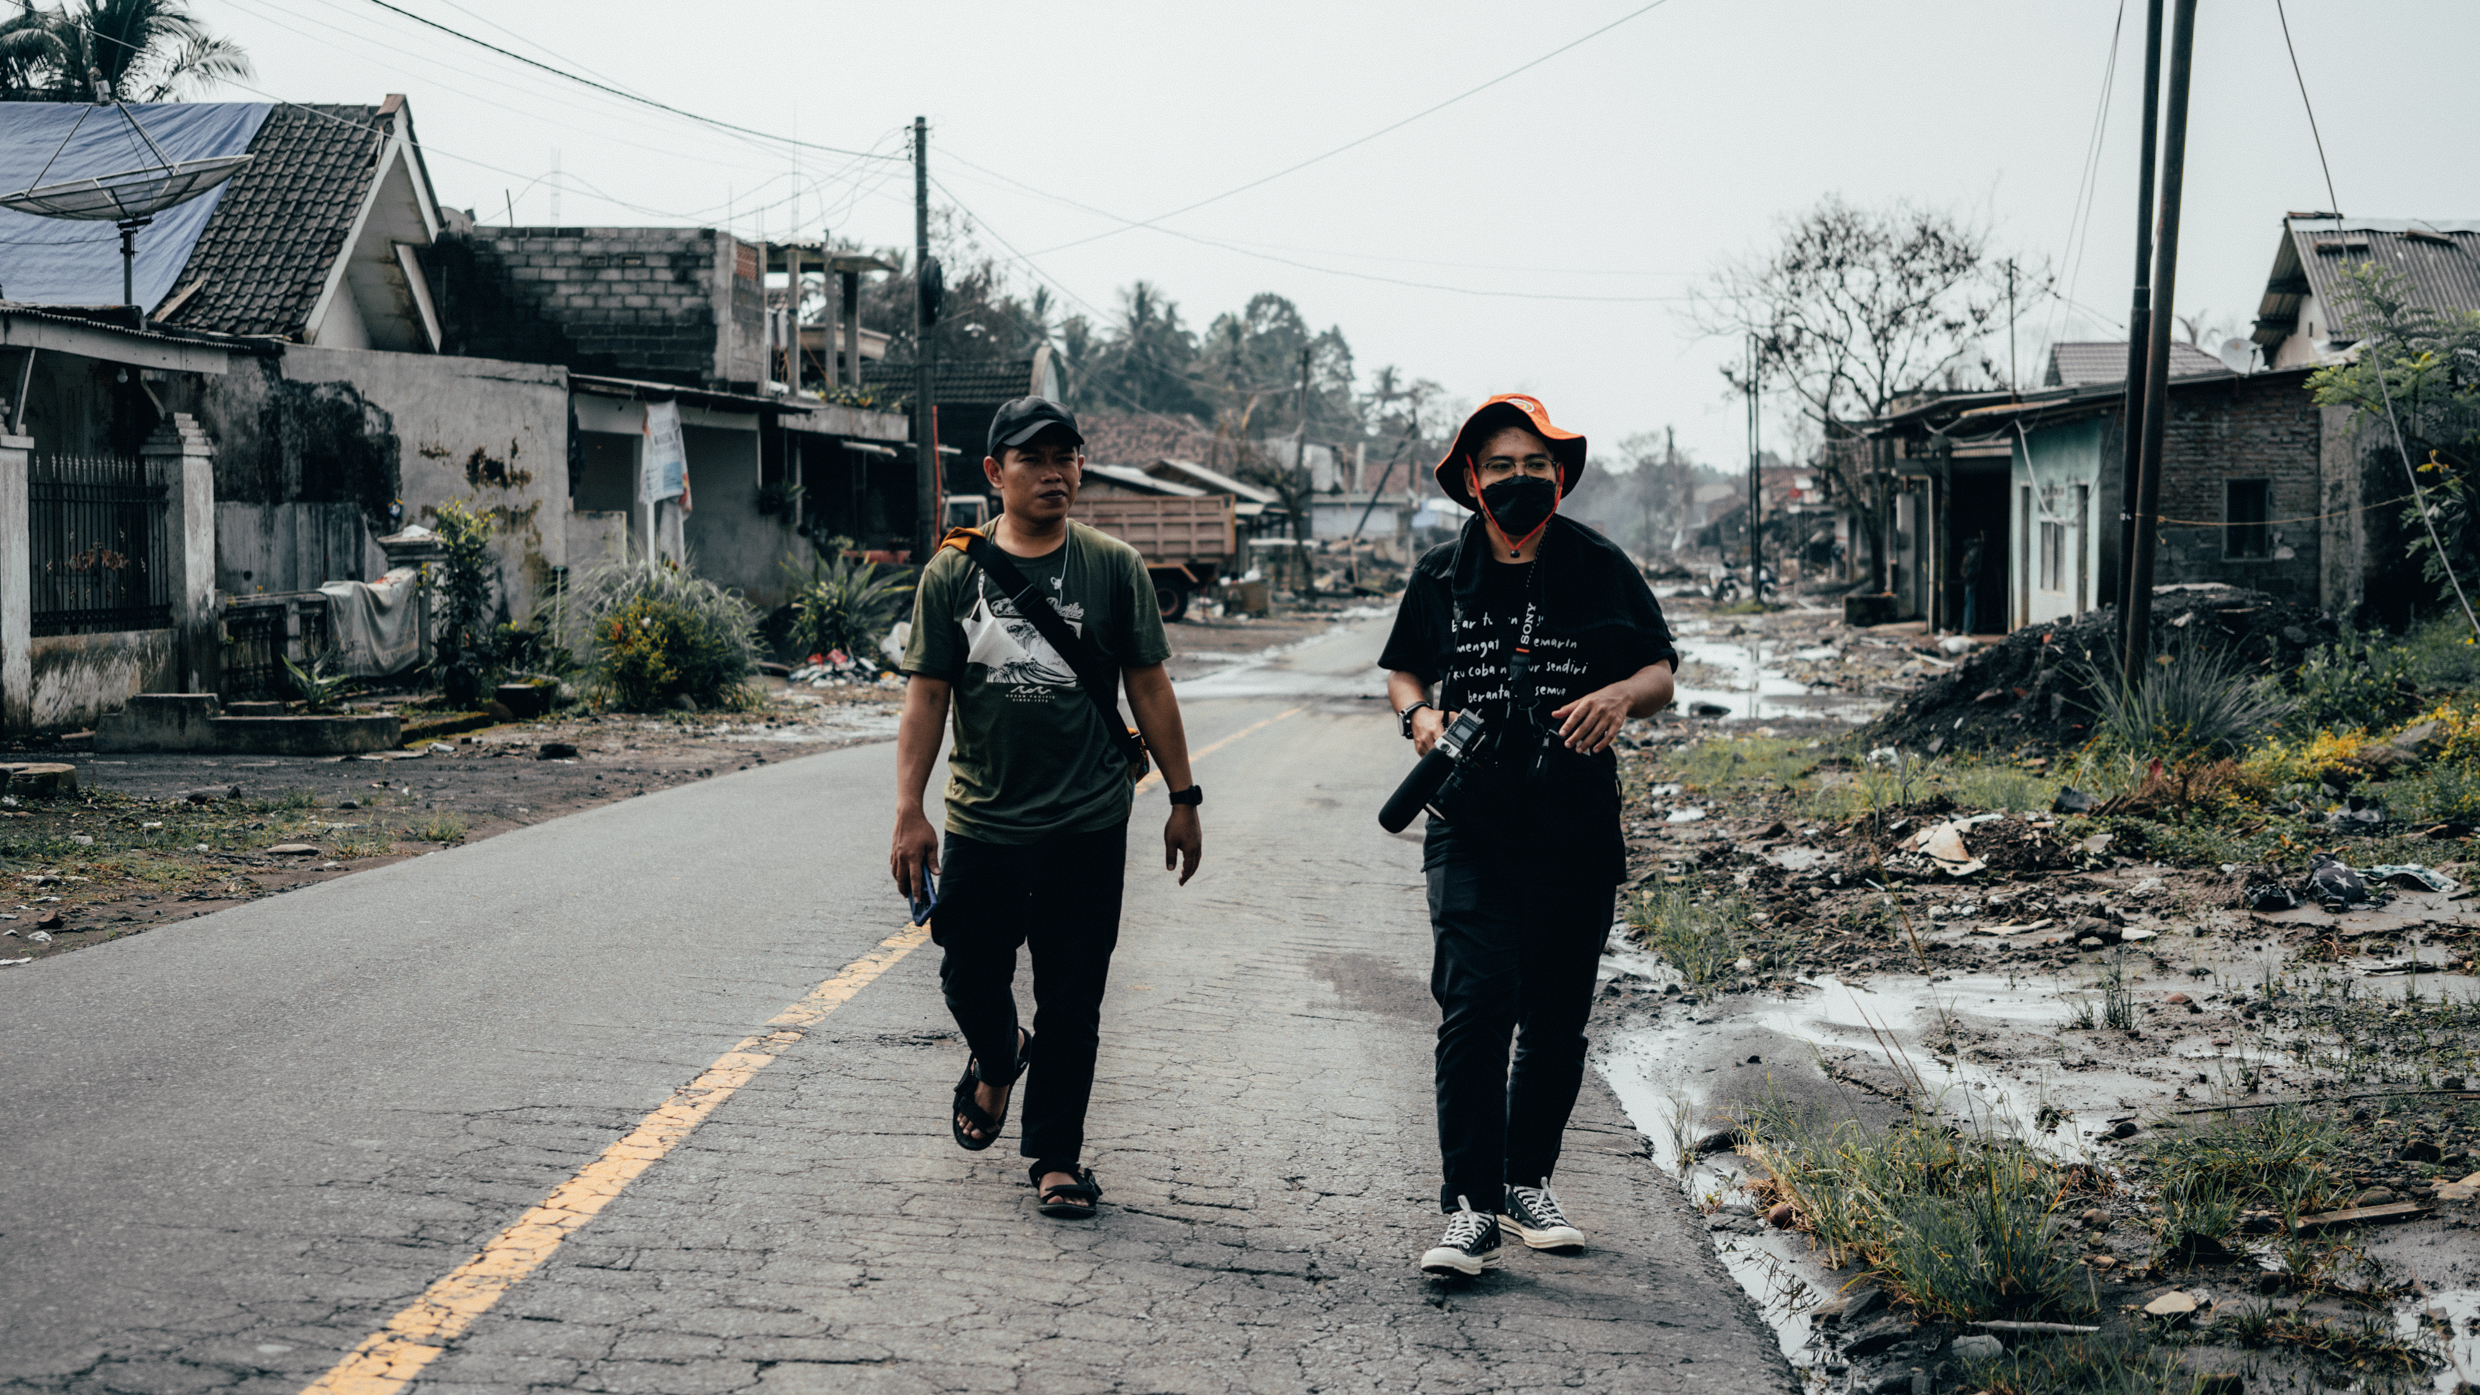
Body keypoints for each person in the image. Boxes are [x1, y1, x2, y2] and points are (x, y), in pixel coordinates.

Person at [1379, 394, 1679, 1277]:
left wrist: (1622, 696)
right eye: (1501, 466)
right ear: (1472, 480)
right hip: (1469, 823)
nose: (1519, 479)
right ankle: (1468, 1205)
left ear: (1560, 474)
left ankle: (1525, 1180)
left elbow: (1660, 667)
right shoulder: (1440, 573)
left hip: (1574, 826)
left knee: (1554, 1018)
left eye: (1535, 464)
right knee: (1475, 1006)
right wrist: (1420, 717)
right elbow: (1402, 668)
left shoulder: (1598, 564)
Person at [889, 396, 1205, 1220]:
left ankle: (1055, 1157)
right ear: (995, 473)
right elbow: (927, 694)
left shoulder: (1113, 566)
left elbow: (1151, 686)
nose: (1055, 472)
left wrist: (1182, 795)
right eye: (1034, 459)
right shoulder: (953, 571)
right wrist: (908, 810)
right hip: (983, 820)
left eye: (1066, 456)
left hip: (1089, 820)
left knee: (1074, 993)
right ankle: (1000, 1057)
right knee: (967, 972)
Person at [1960, 533, 1986, 635]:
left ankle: (1970, 628)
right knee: (1970, 603)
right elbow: (1970, 567)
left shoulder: (1974, 551)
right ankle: (1968, 628)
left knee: (1971, 603)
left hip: (1972, 579)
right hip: (1971, 580)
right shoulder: (1974, 550)